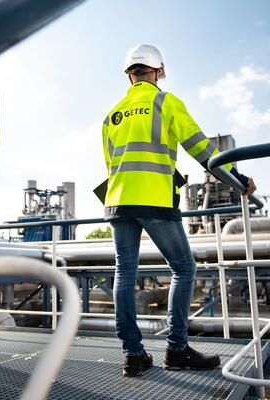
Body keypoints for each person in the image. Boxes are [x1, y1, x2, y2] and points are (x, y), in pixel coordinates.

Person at [101, 44, 256, 377]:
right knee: (184, 268)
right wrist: (238, 179)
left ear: (129, 74)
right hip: (154, 199)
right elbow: (202, 149)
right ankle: (177, 348)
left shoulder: (112, 115)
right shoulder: (164, 102)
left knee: (124, 273)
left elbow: (114, 163)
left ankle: (133, 354)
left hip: (117, 202)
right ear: (158, 71)